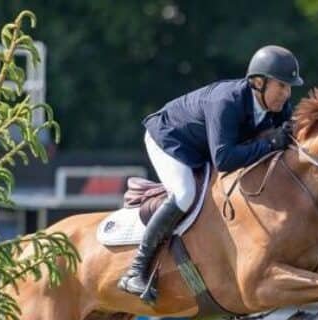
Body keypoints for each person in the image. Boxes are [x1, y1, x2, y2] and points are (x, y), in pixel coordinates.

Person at [118, 45, 304, 302]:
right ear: (259, 82)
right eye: (281, 85)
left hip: (202, 147)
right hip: (169, 139)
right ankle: (135, 270)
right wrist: (271, 144)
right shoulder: (226, 102)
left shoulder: (278, 107)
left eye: (289, 86)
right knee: (184, 194)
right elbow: (225, 159)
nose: (287, 93)